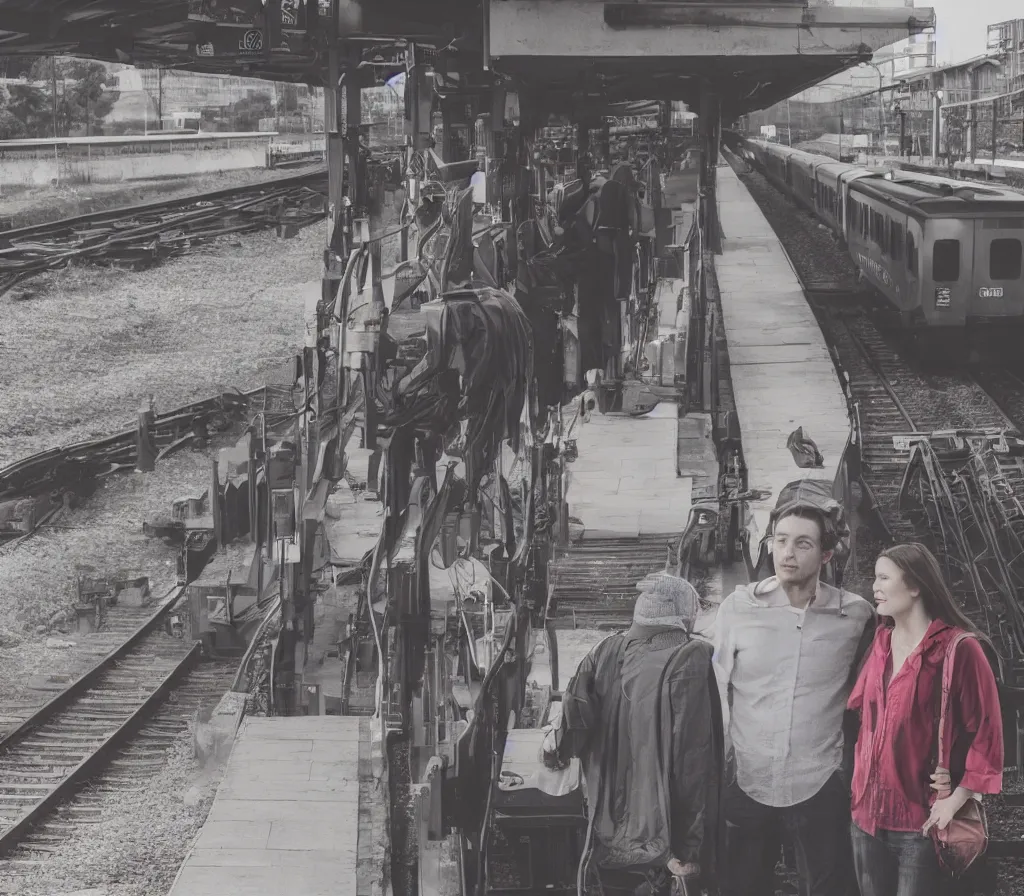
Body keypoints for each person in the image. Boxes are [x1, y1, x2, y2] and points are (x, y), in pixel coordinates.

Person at [713, 505, 875, 896]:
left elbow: (869, 696)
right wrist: (723, 757)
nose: (787, 553)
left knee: (831, 888)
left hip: (819, 779)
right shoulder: (738, 608)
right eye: (780, 540)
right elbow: (716, 686)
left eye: (802, 544)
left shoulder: (854, 615)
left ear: (825, 555)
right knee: (742, 886)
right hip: (748, 776)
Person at [542, 575, 725, 896]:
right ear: (684, 614)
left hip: (605, 832)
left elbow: (567, 734)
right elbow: (692, 765)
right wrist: (688, 851)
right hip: (662, 844)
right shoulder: (690, 658)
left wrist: (552, 752)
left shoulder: (603, 650)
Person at [847, 543, 1004, 896]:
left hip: (921, 824)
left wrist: (955, 798)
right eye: (875, 577)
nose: (874, 587)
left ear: (915, 585)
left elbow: (987, 733)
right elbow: (864, 718)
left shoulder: (959, 648)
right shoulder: (880, 642)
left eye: (883, 577)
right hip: (865, 819)